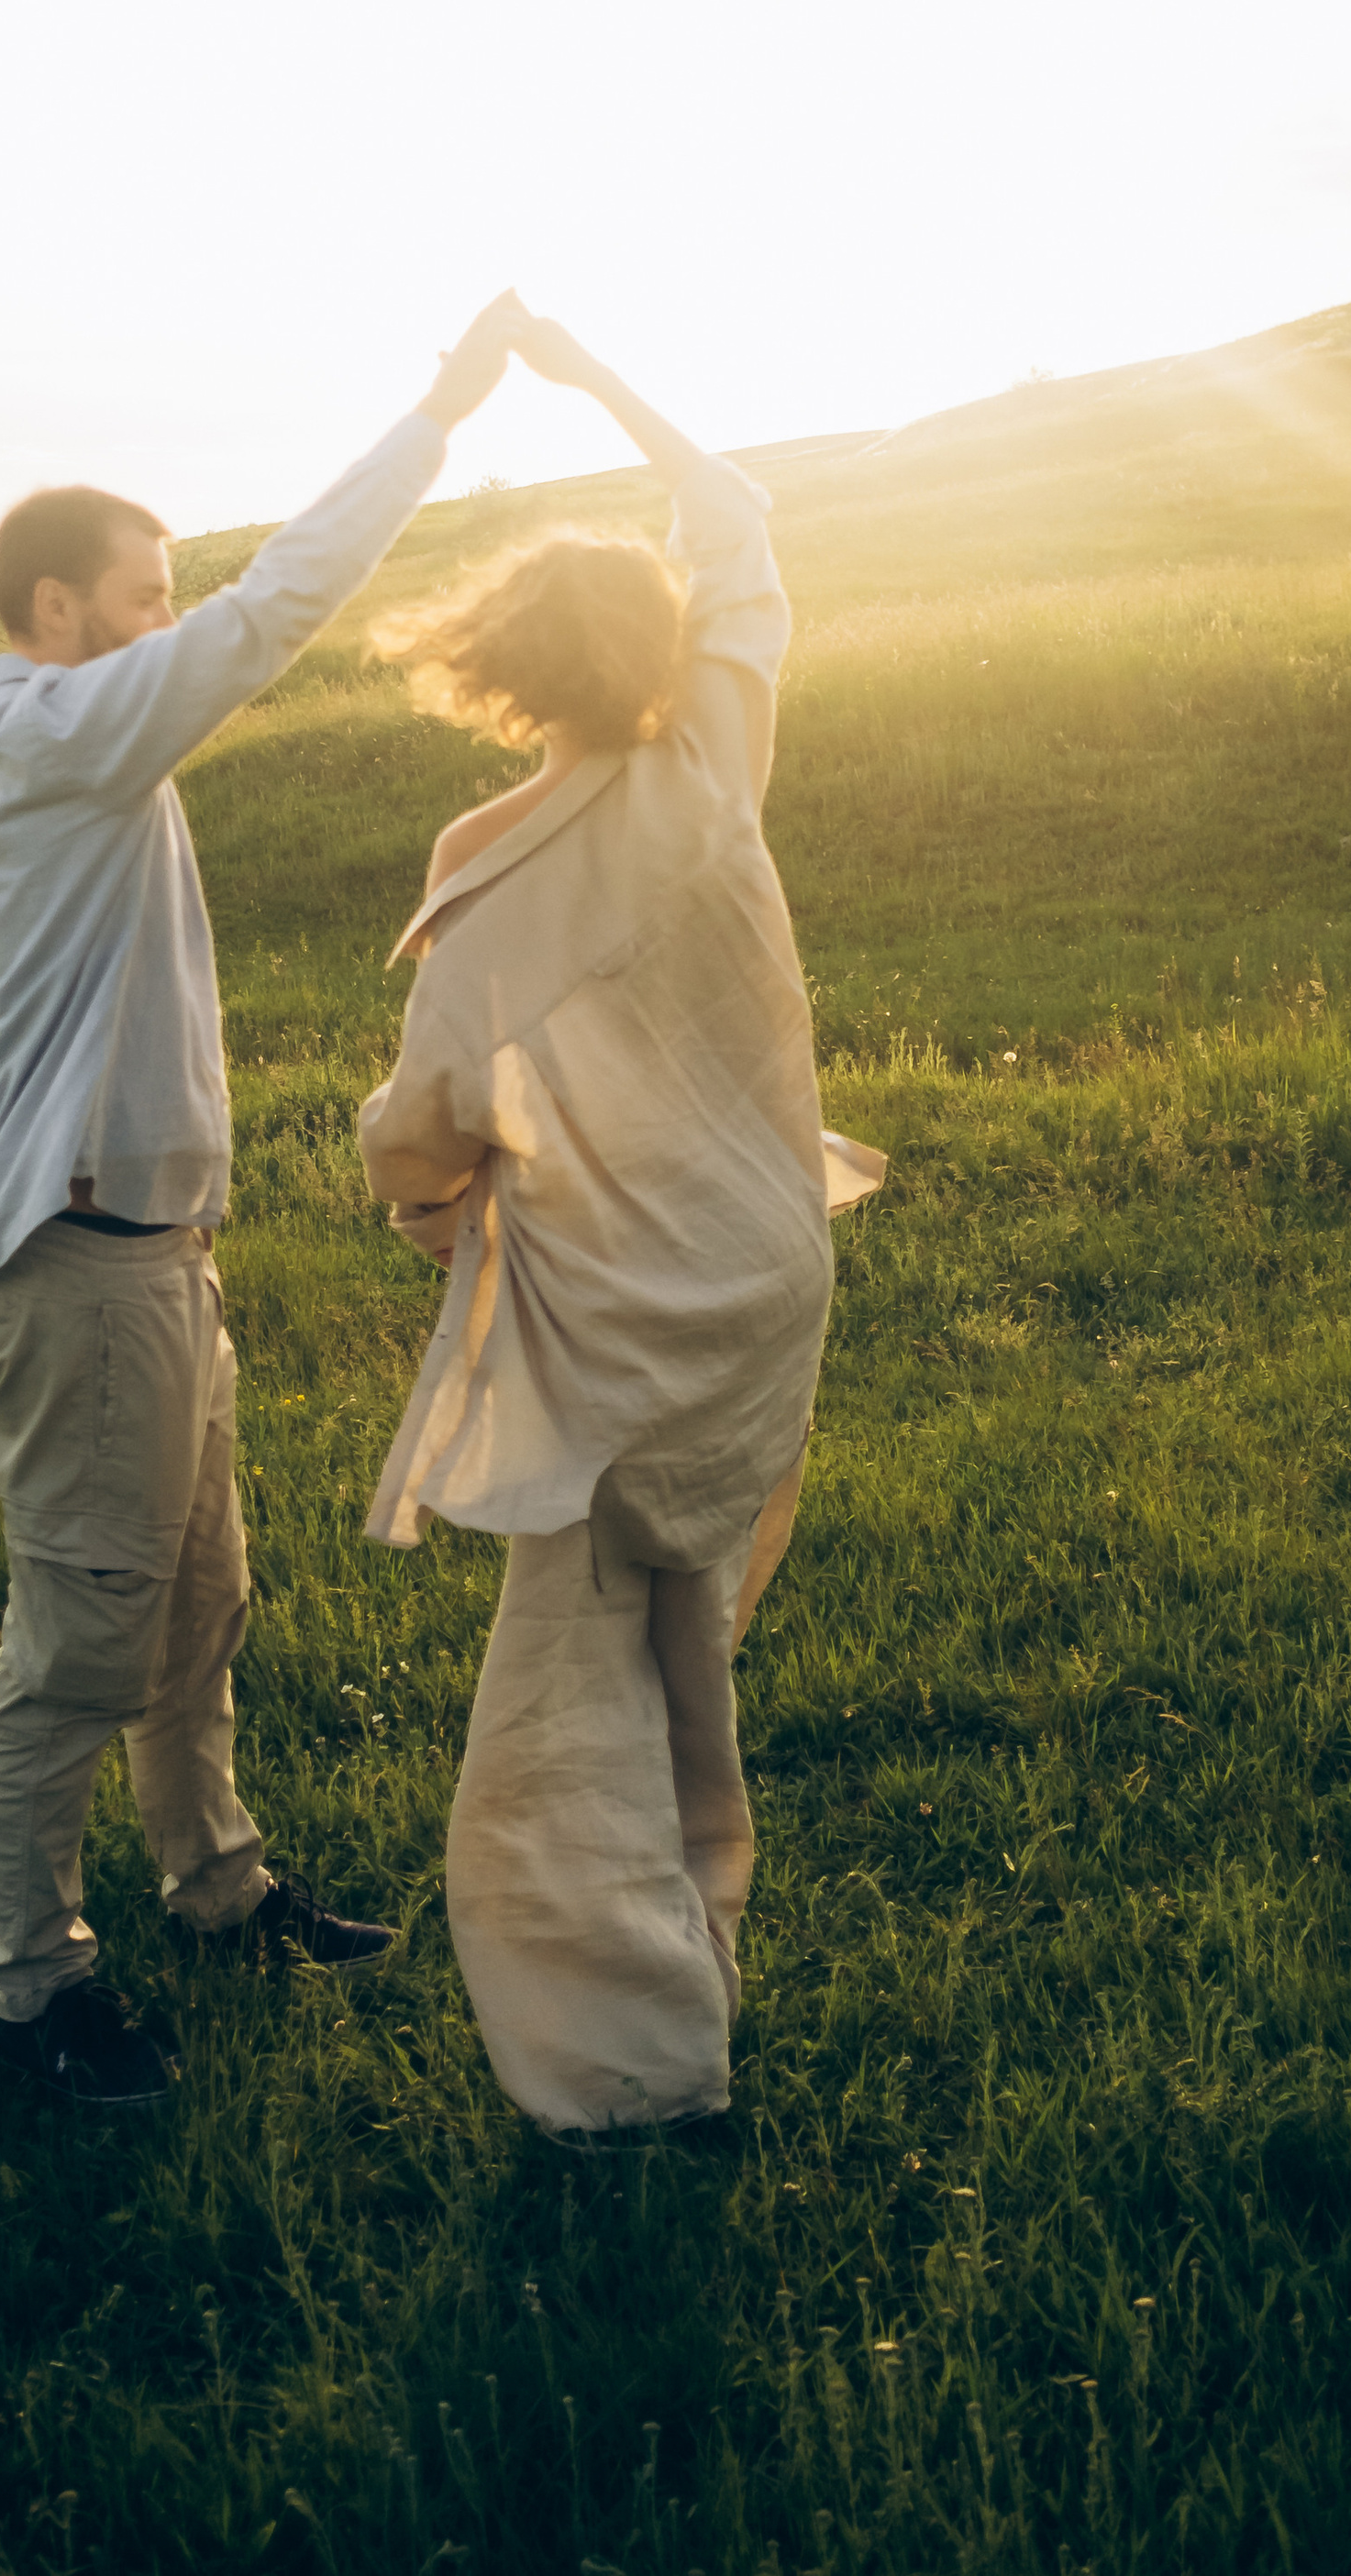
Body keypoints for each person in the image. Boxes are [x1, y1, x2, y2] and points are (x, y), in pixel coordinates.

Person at [0, 295, 521, 2113]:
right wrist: (440, 415)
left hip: (143, 1261)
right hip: (85, 1273)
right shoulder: (54, 736)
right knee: (80, 1646)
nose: (169, 615)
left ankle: (216, 1891)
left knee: (198, 1610)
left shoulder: (50, 760)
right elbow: (275, 614)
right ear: (55, 615)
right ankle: (35, 1992)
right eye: (145, 589)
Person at [358, 311, 883, 2143]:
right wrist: (602, 388)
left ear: (499, 671)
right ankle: (693, 1946)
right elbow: (729, 505)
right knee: (686, 1638)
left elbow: (422, 1123)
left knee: (559, 1711)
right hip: (758, 1290)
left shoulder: (485, 857)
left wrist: (421, 1202)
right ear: (656, 649)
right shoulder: (716, 754)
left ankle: (632, 2072)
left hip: (607, 1321)